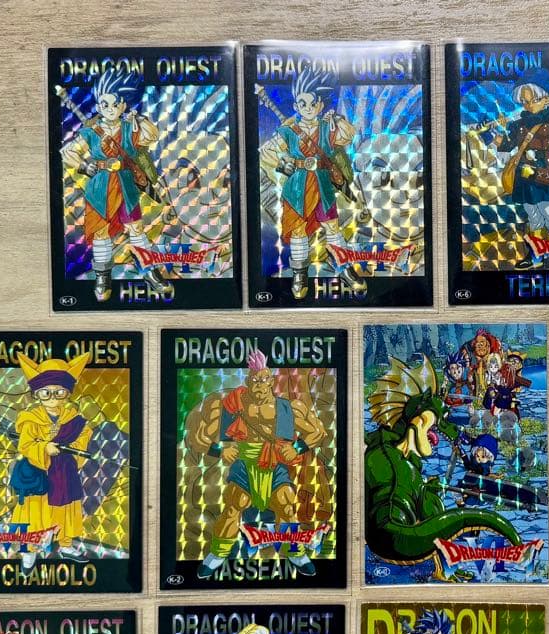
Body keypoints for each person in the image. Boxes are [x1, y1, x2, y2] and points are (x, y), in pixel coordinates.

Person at [186, 349, 327, 578]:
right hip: (244, 465)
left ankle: (295, 552)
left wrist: (297, 448)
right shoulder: (232, 406)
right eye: (254, 380)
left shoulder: (288, 408)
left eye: (263, 379)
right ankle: (217, 554)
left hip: (275, 465)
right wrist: (220, 450)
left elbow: (318, 432)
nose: (259, 385)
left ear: (271, 381)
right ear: (248, 381)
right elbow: (198, 437)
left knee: (286, 505)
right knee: (234, 505)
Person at [61, 70, 167, 301]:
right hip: (100, 189)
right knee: (101, 234)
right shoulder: (91, 132)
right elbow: (68, 154)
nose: (110, 109)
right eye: (104, 104)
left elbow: (152, 135)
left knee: (136, 230)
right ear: (98, 107)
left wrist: (138, 119)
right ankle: (103, 277)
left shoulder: (130, 127)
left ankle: (150, 271)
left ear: (123, 105)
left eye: (115, 104)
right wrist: (86, 167)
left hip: (127, 187)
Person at [260, 68, 365, 299]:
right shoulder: (288, 131)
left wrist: (336, 119)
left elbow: (348, 136)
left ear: (320, 105)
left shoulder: (328, 127)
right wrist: (286, 163)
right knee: (298, 232)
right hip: (297, 188)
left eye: (312, 103)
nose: (307, 108)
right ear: (296, 106)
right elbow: (267, 154)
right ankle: (300, 274)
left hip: (323, 186)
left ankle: (344, 267)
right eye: (302, 104)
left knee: (333, 228)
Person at [11, 351, 94, 570]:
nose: (53, 397)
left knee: (65, 510)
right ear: (37, 393)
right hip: (40, 475)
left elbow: (84, 438)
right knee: (35, 514)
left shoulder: (73, 417)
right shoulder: (31, 419)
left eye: (59, 392)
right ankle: (29, 550)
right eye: (46, 393)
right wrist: (44, 448)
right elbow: (25, 446)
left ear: (67, 392)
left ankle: (65, 545)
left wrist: (72, 452)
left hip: (65, 472)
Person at [489, 67, 549, 279]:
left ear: (546, 98)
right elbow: (507, 145)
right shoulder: (518, 124)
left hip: (545, 175)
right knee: (534, 217)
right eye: (524, 101)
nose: (528, 105)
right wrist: (493, 135)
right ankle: (537, 253)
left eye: (534, 100)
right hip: (524, 177)